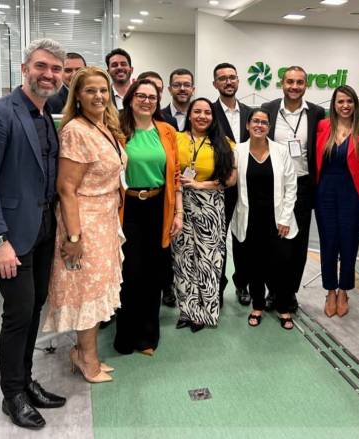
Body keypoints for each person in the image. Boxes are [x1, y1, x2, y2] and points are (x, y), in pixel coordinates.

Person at [0, 38, 66, 430]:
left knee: (35, 306)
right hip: (9, 236)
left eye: (56, 69)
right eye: (41, 66)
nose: (49, 74)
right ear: (25, 69)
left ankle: (25, 381)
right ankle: (12, 395)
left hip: (42, 230)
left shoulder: (45, 115)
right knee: (18, 314)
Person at [42, 66, 126, 383]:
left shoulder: (103, 126)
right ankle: (87, 359)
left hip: (105, 219)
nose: (98, 96)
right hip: (84, 221)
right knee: (86, 293)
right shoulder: (75, 130)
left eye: (103, 90)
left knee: (97, 288)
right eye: (90, 90)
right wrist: (74, 237)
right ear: (77, 95)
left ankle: (83, 352)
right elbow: (66, 188)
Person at [113, 79, 183, 355]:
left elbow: (175, 174)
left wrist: (178, 212)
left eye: (152, 97)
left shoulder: (166, 131)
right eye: (141, 96)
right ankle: (125, 336)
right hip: (127, 207)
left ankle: (147, 337)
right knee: (130, 272)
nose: (146, 101)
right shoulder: (117, 129)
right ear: (130, 99)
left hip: (158, 206)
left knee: (154, 273)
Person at [262, 66, 325, 312]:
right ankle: (273, 290)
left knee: (298, 244)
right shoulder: (268, 109)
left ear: (305, 85)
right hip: (273, 185)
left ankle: (289, 292)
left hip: (303, 185)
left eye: (299, 82)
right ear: (282, 84)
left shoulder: (317, 113)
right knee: (273, 241)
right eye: (290, 81)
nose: (294, 86)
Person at [172, 97, 236, 332]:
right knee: (182, 258)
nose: (202, 116)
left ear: (213, 116)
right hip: (180, 204)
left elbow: (231, 179)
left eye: (207, 112)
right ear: (189, 115)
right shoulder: (175, 138)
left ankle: (204, 312)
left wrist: (201, 185)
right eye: (197, 111)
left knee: (208, 260)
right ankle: (186, 311)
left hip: (210, 206)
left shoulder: (224, 143)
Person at [231, 109, 297, 330]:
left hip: (278, 220)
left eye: (264, 122)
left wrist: (285, 218)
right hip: (249, 218)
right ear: (248, 125)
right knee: (255, 264)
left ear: (269, 127)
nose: (259, 125)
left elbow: (291, 186)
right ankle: (257, 305)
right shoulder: (238, 151)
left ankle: (283, 307)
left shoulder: (280, 151)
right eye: (255, 121)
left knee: (281, 265)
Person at [314, 85, 359, 318]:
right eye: (340, 101)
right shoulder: (323, 126)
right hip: (325, 192)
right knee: (328, 243)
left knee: (348, 243)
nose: (345, 106)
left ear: (355, 104)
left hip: (352, 193)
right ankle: (330, 291)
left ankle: (344, 290)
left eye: (349, 101)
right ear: (333, 105)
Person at [212, 62, 252, 306]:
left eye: (232, 77)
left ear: (238, 81)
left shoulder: (251, 112)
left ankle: (242, 283)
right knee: (219, 238)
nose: (228, 82)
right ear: (215, 83)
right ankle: (218, 286)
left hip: (248, 186)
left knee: (244, 237)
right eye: (223, 78)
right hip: (221, 185)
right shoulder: (209, 112)